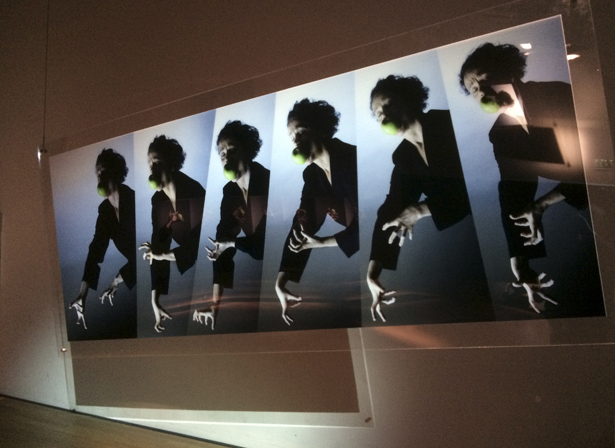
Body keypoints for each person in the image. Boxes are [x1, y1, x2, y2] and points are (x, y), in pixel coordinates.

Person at [459, 43, 588, 312]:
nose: (481, 90)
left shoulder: (558, 93)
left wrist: (542, 204)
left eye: (484, 78)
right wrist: (520, 262)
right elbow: (513, 193)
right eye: (473, 89)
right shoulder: (500, 135)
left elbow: (595, 163)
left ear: (507, 70)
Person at [367, 75, 475, 322]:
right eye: (378, 114)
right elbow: (390, 210)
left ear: (409, 99)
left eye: (388, 105)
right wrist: (372, 273)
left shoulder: (448, 123)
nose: (384, 115)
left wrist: (420, 210)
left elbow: (470, 189)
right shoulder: (403, 157)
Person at [275, 99, 359, 325]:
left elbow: (368, 226)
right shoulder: (312, 176)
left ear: (320, 130)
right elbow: (302, 223)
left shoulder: (351, 159)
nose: (295, 141)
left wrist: (322, 243)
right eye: (292, 137)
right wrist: (281, 280)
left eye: (301, 132)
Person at [193, 120, 270, 330]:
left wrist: (231, 243)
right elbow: (222, 244)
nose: (226, 157)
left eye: (232, 150)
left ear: (247, 150)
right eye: (222, 153)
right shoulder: (229, 192)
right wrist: (214, 305)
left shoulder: (269, 182)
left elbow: (263, 247)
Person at [140, 135, 205, 332]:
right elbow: (158, 245)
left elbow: (197, 245)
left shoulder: (194, 190)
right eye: (149, 163)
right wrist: (155, 300)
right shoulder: (157, 200)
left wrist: (162, 255)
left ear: (170, 163)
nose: (152, 168)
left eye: (157, 162)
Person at [69, 148, 136, 329]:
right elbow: (95, 251)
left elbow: (144, 253)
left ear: (115, 172)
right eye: (97, 173)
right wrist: (82, 294)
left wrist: (117, 280)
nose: (99, 176)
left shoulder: (134, 200)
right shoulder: (105, 212)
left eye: (103, 171)